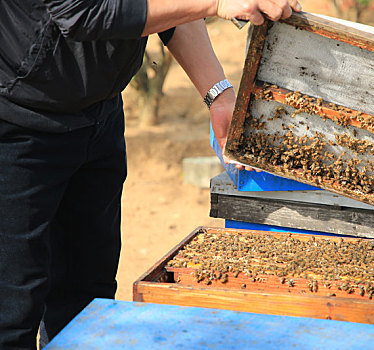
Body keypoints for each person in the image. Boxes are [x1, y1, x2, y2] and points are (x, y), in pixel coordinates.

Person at [0, 0, 301, 349]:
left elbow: (174, 7)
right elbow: (83, 13)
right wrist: (218, 2)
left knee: (87, 305)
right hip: (16, 121)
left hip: (99, 116)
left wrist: (218, 94)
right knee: (12, 310)